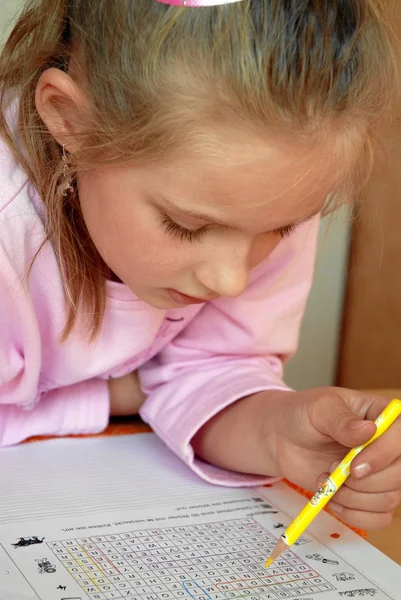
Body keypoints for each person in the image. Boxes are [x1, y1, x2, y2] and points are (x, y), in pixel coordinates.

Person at [0, 0, 399, 531]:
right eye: (186, 226)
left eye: (281, 230)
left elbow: (212, 370)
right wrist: (124, 394)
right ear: (70, 120)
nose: (231, 279)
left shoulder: (260, 199)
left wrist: (279, 431)